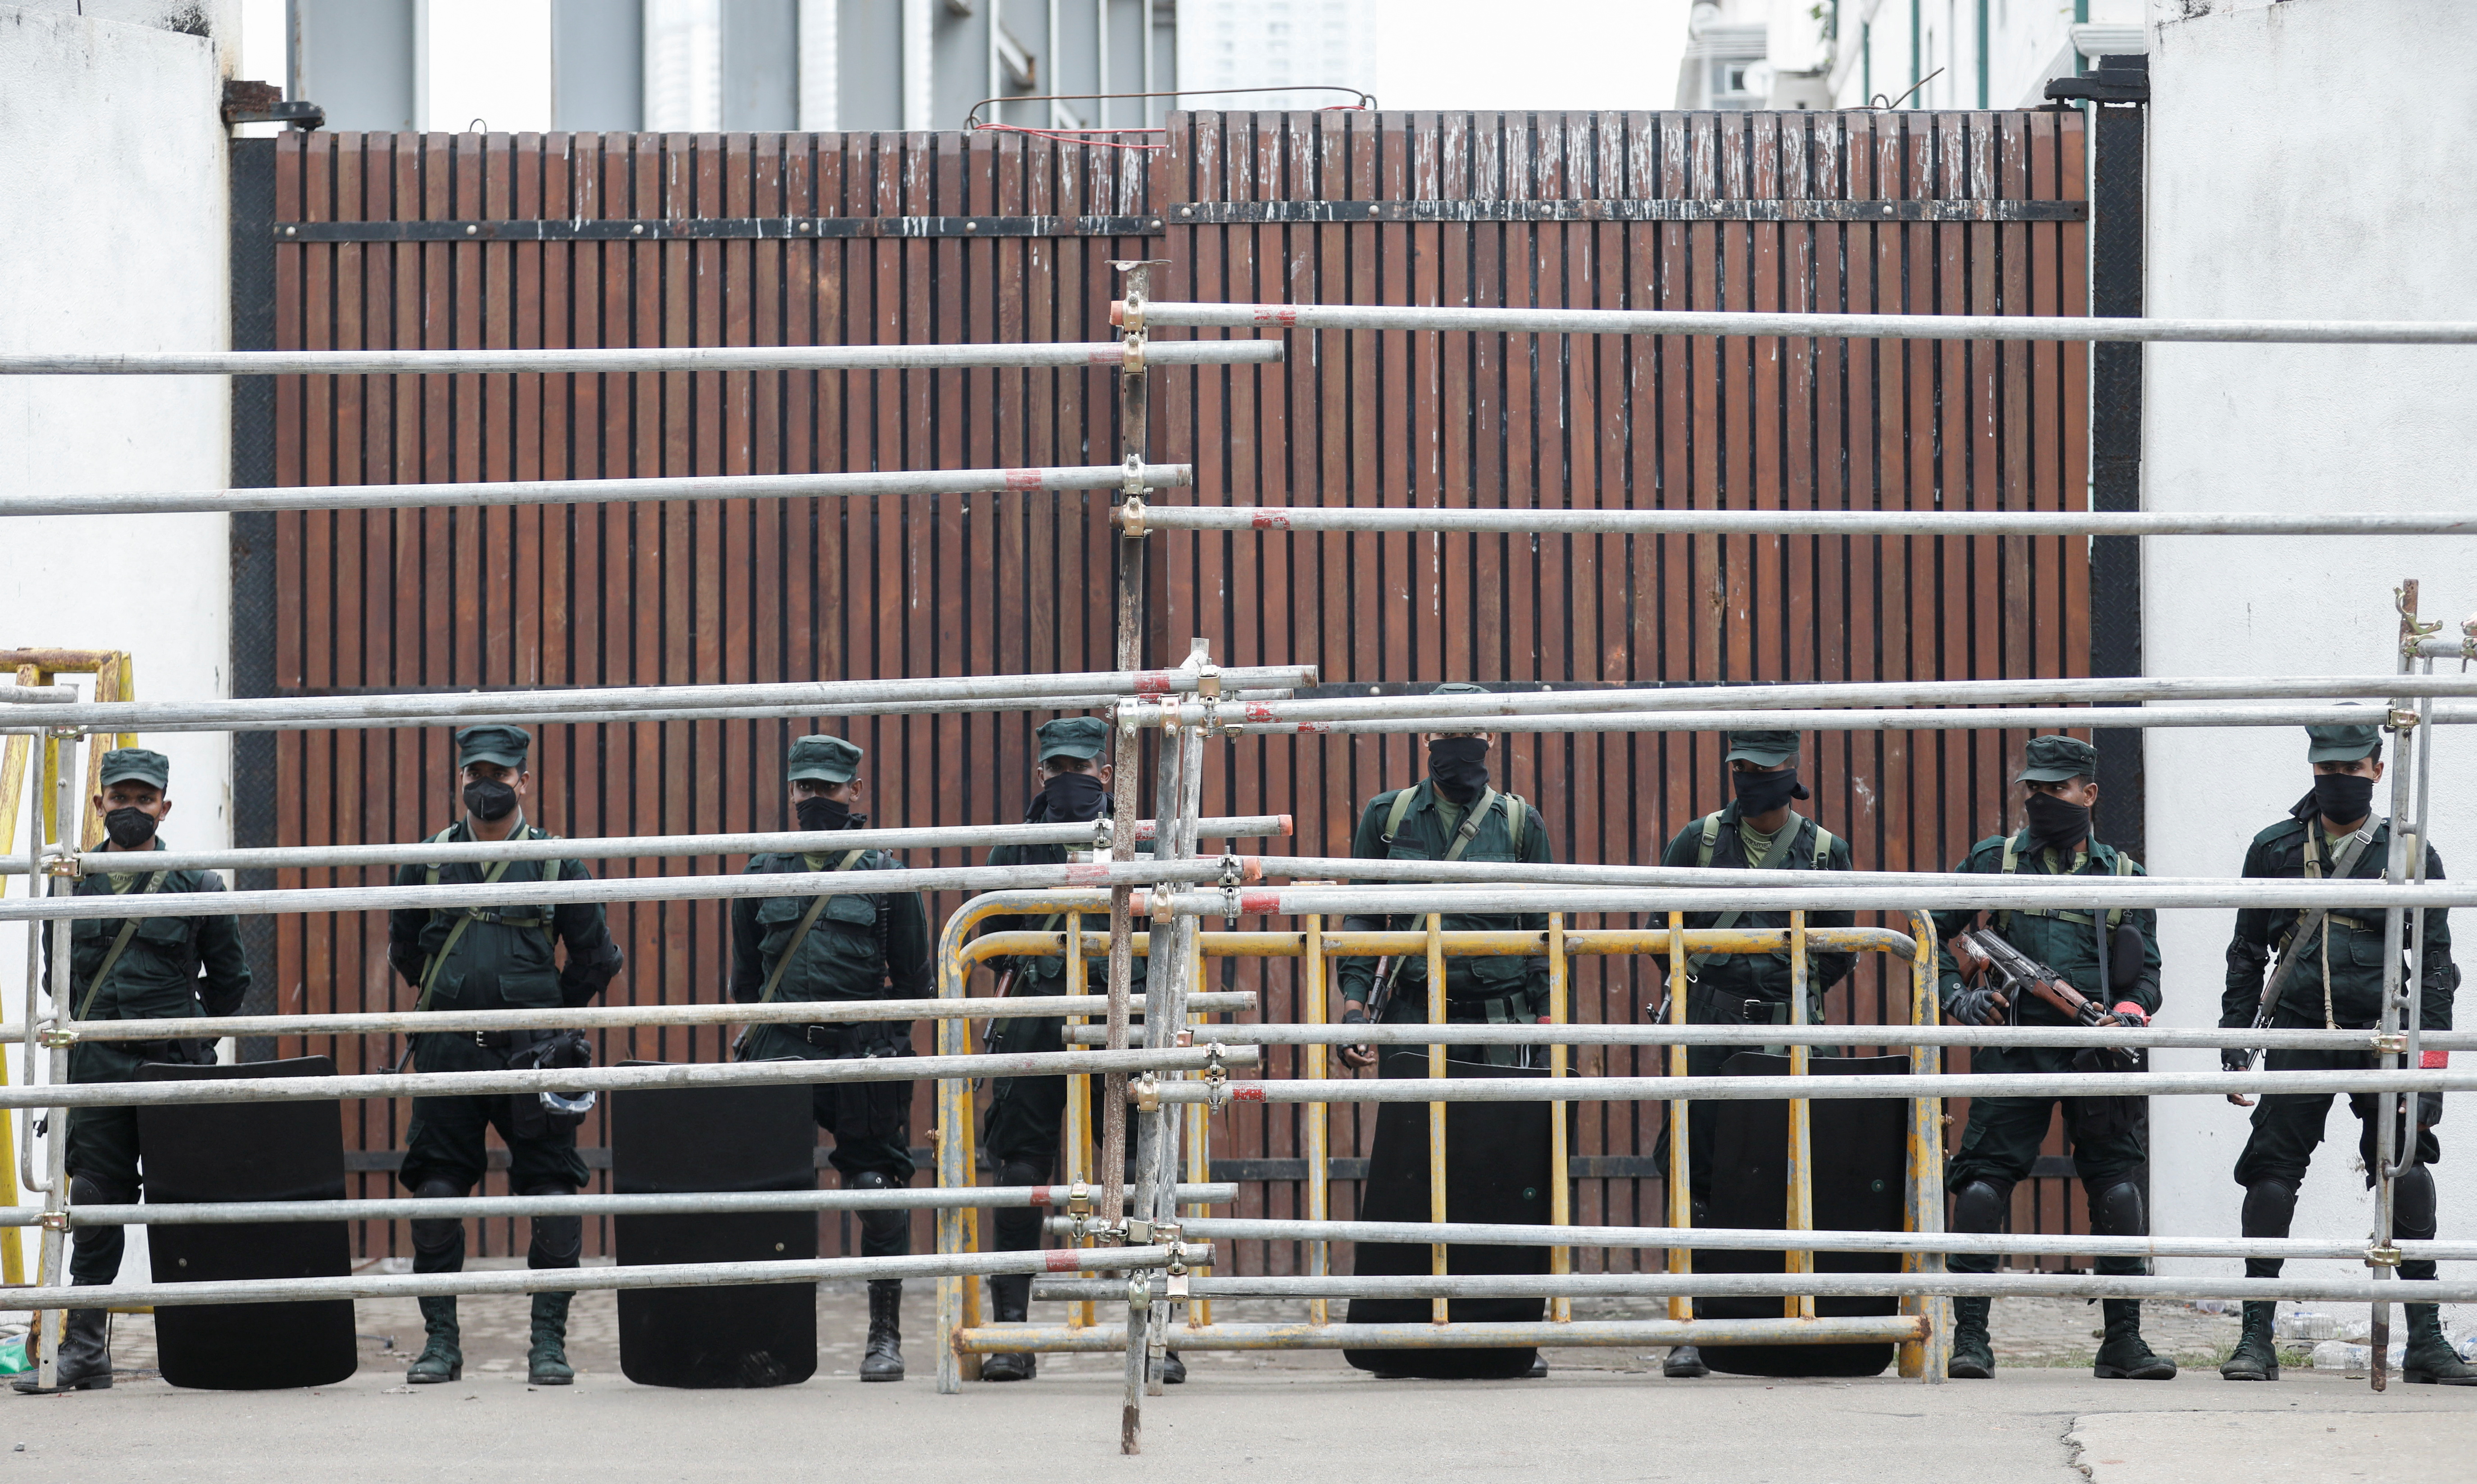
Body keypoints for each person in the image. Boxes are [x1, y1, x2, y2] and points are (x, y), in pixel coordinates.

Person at [2217, 719, 2474, 1384]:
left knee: (2407, 1168)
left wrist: (2431, 1068)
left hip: (2384, 1034)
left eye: (2352, 770)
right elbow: (2247, 952)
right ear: (2312, 769)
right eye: (2327, 770)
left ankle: (2424, 1337)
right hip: (2301, 1032)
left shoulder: (2410, 852)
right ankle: (2254, 1337)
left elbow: (2439, 966)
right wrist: (2236, 1041)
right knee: (2272, 1173)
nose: (2338, 781)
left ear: (2378, 772)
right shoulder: (2274, 848)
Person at [386, 725, 624, 1388]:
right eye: (475, 773)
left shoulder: (555, 862)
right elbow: (405, 947)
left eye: (500, 773)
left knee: (554, 1199)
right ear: (460, 779)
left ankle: (549, 1345)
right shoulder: (429, 859)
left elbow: (596, 956)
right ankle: (441, 1345)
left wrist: (545, 1015)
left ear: (524, 780)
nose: (486, 784)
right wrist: (457, 996)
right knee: (435, 1197)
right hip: (448, 1054)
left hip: (535, 1061)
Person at [1933, 734, 2173, 1382]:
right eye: (2033, 790)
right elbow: (1931, 937)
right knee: (1982, 1184)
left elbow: (2148, 975)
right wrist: (1959, 998)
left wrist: (2130, 1010)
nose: (2041, 801)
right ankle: (1972, 1339)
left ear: (2089, 794)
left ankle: (2123, 1341)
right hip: (2016, 1044)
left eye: (2056, 790)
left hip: (2097, 1049)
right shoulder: (1993, 861)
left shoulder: (2122, 876)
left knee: (2118, 1188)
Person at [14, 748, 251, 1394]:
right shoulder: (69, 884)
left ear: (164, 808)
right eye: (119, 799)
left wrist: (182, 1029)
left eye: (144, 800)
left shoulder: (197, 885)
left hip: (171, 1065)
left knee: (193, 1207)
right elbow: (53, 978)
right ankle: (87, 1350)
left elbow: (232, 984)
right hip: (95, 1068)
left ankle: (218, 1345)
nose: (130, 810)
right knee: (94, 1203)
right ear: (99, 805)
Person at [1648, 728, 1856, 1380]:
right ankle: (1693, 1324)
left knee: (1789, 1165)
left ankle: (1784, 1318)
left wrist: (1780, 991)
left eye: (1762, 768)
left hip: (1788, 1025)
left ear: (1790, 770)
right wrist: (1714, 987)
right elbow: (1660, 930)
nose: (1749, 779)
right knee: (1695, 1166)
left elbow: (1841, 952)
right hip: (1709, 1025)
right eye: (1740, 766)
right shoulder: (1699, 840)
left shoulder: (1825, 851)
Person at [972, 715, 1169, 1383]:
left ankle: (1156, 1339)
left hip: (1123, 1012)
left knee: (1143, 1170)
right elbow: (985, 937)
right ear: (1040, 775)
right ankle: (1011, 1336)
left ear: (1106, 775)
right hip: (1035, 1016)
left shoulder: (1144, 839)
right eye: (1056, 772)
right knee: (1021, 1171)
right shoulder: (1017, 846)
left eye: (1079, 771)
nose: (1067, 782)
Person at [730, 734, 932, 1383]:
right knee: (767, 1198)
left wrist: (887, 1046)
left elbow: (915, 979)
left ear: (855, 791)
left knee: (876, 1189)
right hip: (782, 1047)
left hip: (858, 1049)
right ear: (791, 792)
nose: (816, 798)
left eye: (828, 787)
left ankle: (884, 1335)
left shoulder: (885, 875)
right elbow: (745, 981)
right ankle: (766, 1337)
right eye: (805, 788)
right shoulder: (762, 873)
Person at [1336, 683, 1556, 1063]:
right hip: (1413, 1021)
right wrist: (1355, 1011)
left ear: (1490, 737)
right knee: (1415, 1123)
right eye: (1447, 734)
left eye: (1470, 734)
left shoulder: (1522, 822)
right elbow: (1364, 919)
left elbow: (1545, 933)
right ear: (1426, 737)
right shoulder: (1386, 816)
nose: (1459, 743)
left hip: (1501, 1026)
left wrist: (1549, 1018)